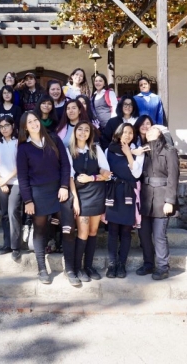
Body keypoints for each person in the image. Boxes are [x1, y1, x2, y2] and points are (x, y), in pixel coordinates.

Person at [16, 111, 80, 286]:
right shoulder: (23, 148)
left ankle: (71, 270)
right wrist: (28, 200)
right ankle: (42, 269)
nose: (35, 124)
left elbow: (65, 164)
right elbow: (23, 177)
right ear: (25, 127)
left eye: (36, 120)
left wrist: (65, 186)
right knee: (40, 231)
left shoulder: (53, 138)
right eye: (30, 122)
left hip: (60, 190)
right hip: (38, 194)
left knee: (68, 229)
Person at [68, 121, 112, 282]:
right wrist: (75, 201)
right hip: (81, 196)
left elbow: (106, 173)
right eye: (80, 129)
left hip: (97, 194)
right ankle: (78, 268)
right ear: (75, 132)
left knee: (93, 232)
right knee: (83, 233)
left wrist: (96, 175)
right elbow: (70, 178)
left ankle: (88, 266)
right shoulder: (70, 151)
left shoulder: (96, 149)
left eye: (87, 130)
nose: (83, 132)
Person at [136, 125, 180, 281]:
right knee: (144, 234)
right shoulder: (143, 151)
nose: (149, 130)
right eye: (147, 130)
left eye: (153, 129)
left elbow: (173, 177)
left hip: (162, 197)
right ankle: (148, 263)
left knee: (159, 235)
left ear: (161, 133)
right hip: (145, 197)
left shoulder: (170, 151)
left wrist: (170, 201)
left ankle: (163, 266)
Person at [105, 123, 147, 278]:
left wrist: (129, 153)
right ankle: (112, 264)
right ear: (119, 133)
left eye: (130, 132)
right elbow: (105, 170)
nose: (128, 135)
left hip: (129, 193)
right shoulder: (109, 150)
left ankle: (122, 264)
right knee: (113, 231)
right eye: (125, 132)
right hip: (113, 192)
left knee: (126, 231)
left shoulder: (138, 152)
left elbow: (136, 174)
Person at [0, 116, 22, 258]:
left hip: (16, 182)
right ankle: (7, 244)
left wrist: (5, 180)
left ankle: (16, 246)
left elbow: (21, 164)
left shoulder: (20, 142)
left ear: (13, 126)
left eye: (7, 125)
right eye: (1, 126)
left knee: (13, 210)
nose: (4, 129)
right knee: (4, 214)